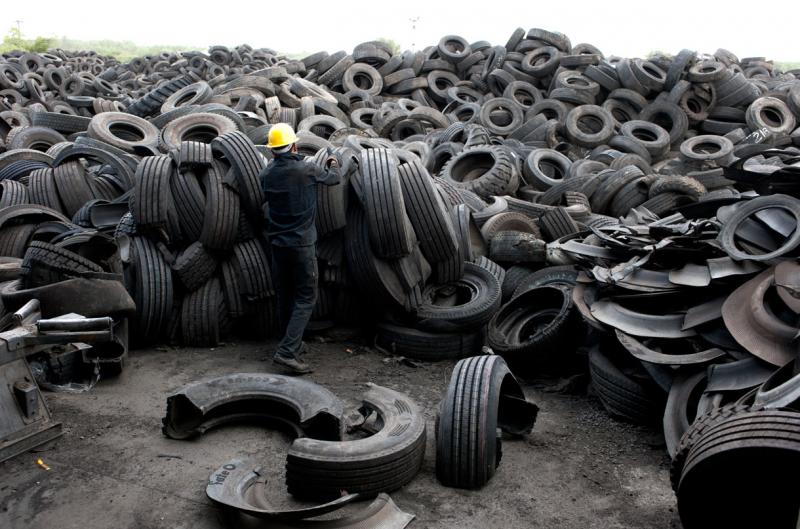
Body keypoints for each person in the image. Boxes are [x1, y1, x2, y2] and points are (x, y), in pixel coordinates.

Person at [259, 123, 340, 375]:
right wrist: (334, 161)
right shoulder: (306, 169)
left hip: (278, 245)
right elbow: (334, 179)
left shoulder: (266, 174)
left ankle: (289, 341)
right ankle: (286, 353)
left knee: (285, 296)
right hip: (302, 245)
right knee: (306, 298)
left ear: (273, 151)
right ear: (294, 145)